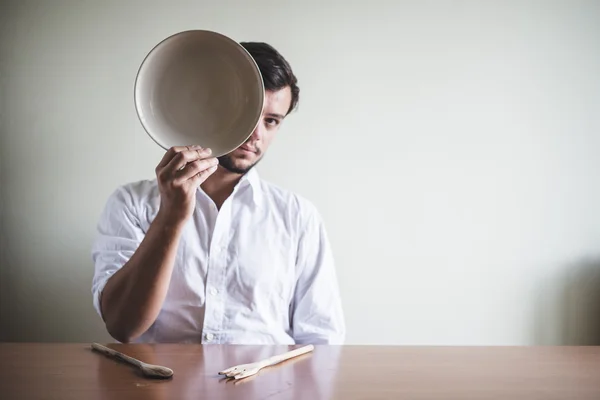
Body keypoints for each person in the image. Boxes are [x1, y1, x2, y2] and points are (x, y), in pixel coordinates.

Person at [91, 42, 345, 345]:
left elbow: (322, 341)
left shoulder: (298, 217)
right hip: (160, 389)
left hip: (269, 389)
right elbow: (122, 326)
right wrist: (171, 217)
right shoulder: (132, 204)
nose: (257, 135)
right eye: (249, 114)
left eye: (272, 121)